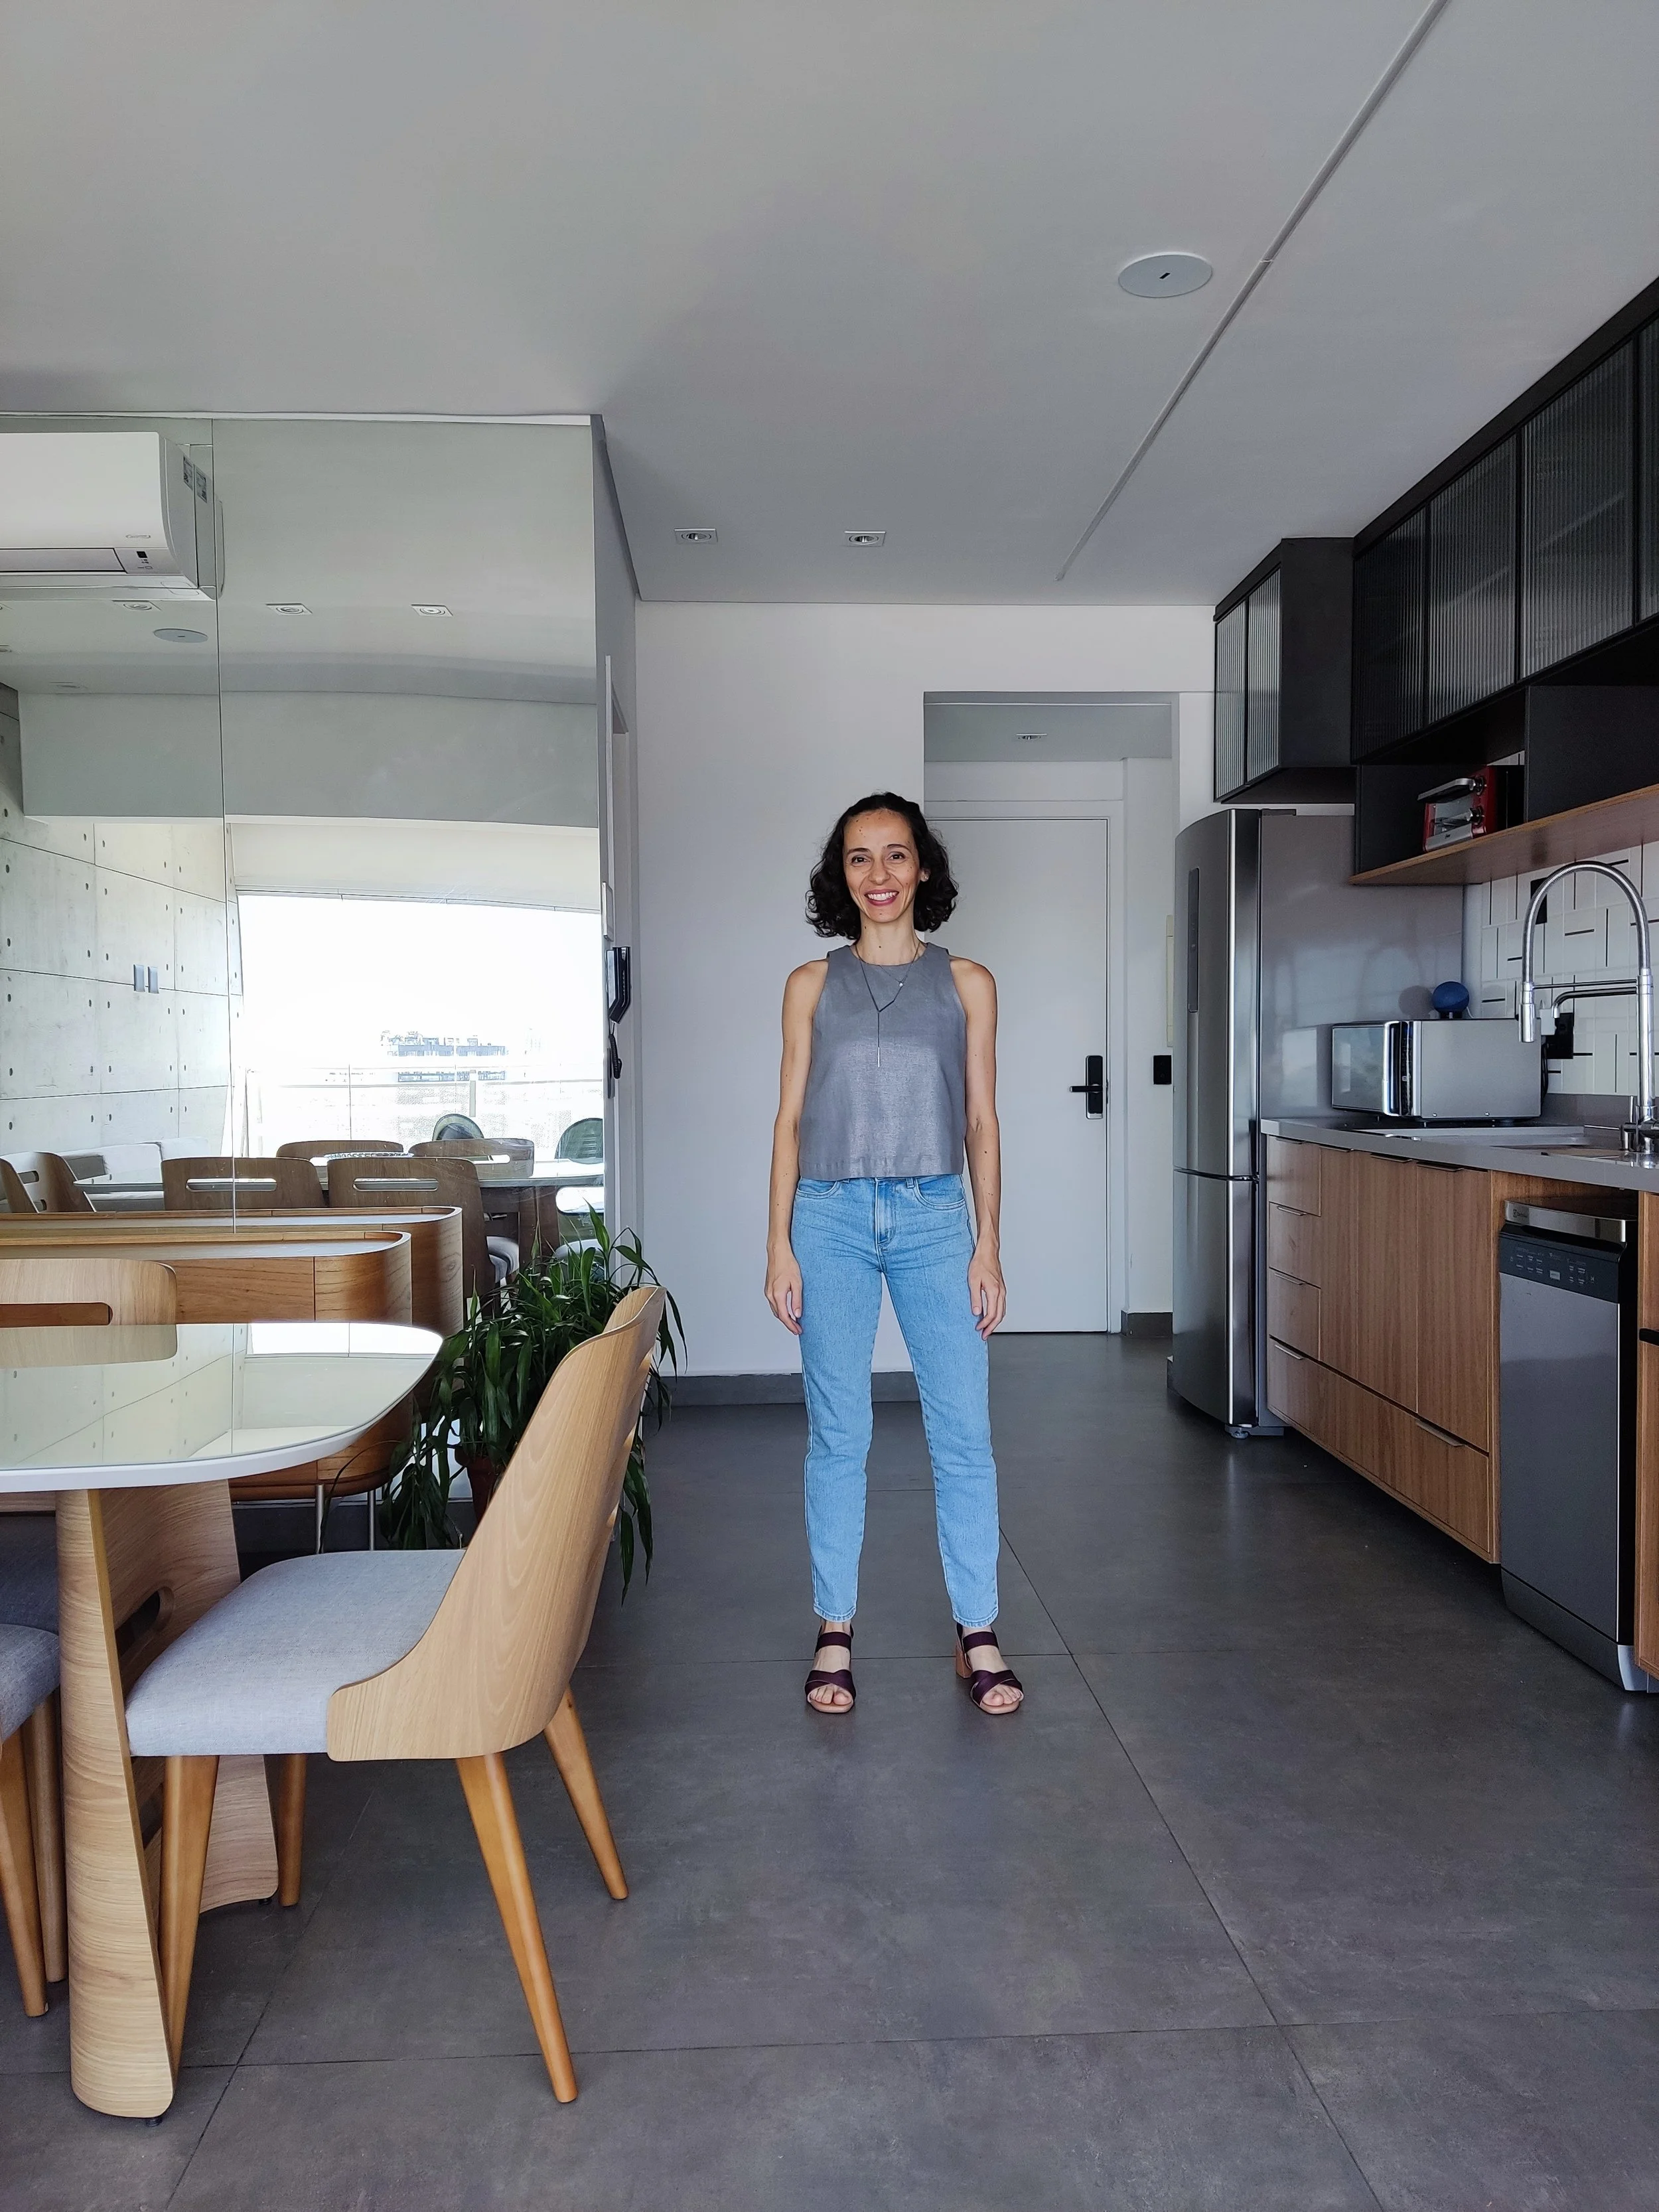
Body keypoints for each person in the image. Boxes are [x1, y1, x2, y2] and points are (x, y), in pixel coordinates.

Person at [765, 792, 1023, 1717]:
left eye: (896, 856)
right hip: (828, 1219)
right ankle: (834, 1629)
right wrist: (778, 1247)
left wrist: (988, 1246)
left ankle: (978, 1631)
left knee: (962, 1435)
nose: (880, 876)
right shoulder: (808, 985)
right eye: (860, 859)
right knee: (841, 1435)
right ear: (842, 877)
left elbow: (983, 1124)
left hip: (935, 1220)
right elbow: (790, 1123)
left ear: (923, 869)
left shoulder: (968, 984)